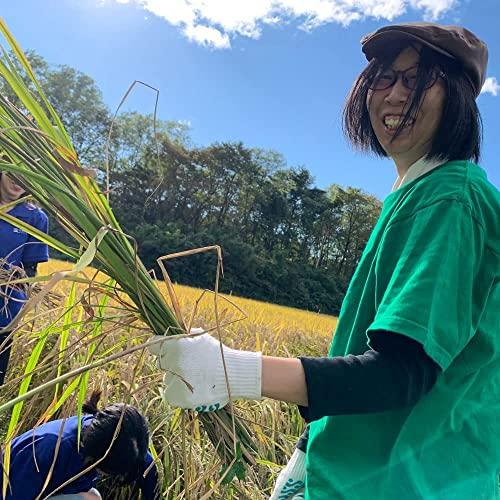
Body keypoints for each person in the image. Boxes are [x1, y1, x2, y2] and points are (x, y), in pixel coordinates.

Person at [149, 22, 500, 500]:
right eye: (385, 78)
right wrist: (308, 443)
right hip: (362, 476)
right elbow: (362, 353)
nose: (395, 95)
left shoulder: (451, 199)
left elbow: (403, 372)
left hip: (409, 484)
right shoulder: (414, 195)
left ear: (457, 95)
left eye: (417, 79)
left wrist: (231, 372)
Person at [3, 390, 161, 499]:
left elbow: (148, 471)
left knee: (93, 497)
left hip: (56, 490)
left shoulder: (127, 443)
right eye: (102, 470)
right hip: (13, 490)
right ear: (94, 456)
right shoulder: (48, 450)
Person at [0, 171, 49, 385]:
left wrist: (10, 281)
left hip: (4, 311)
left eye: (25, 174)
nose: (17, 180)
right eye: (12, 172)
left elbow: (28, 272)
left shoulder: (36, 218)